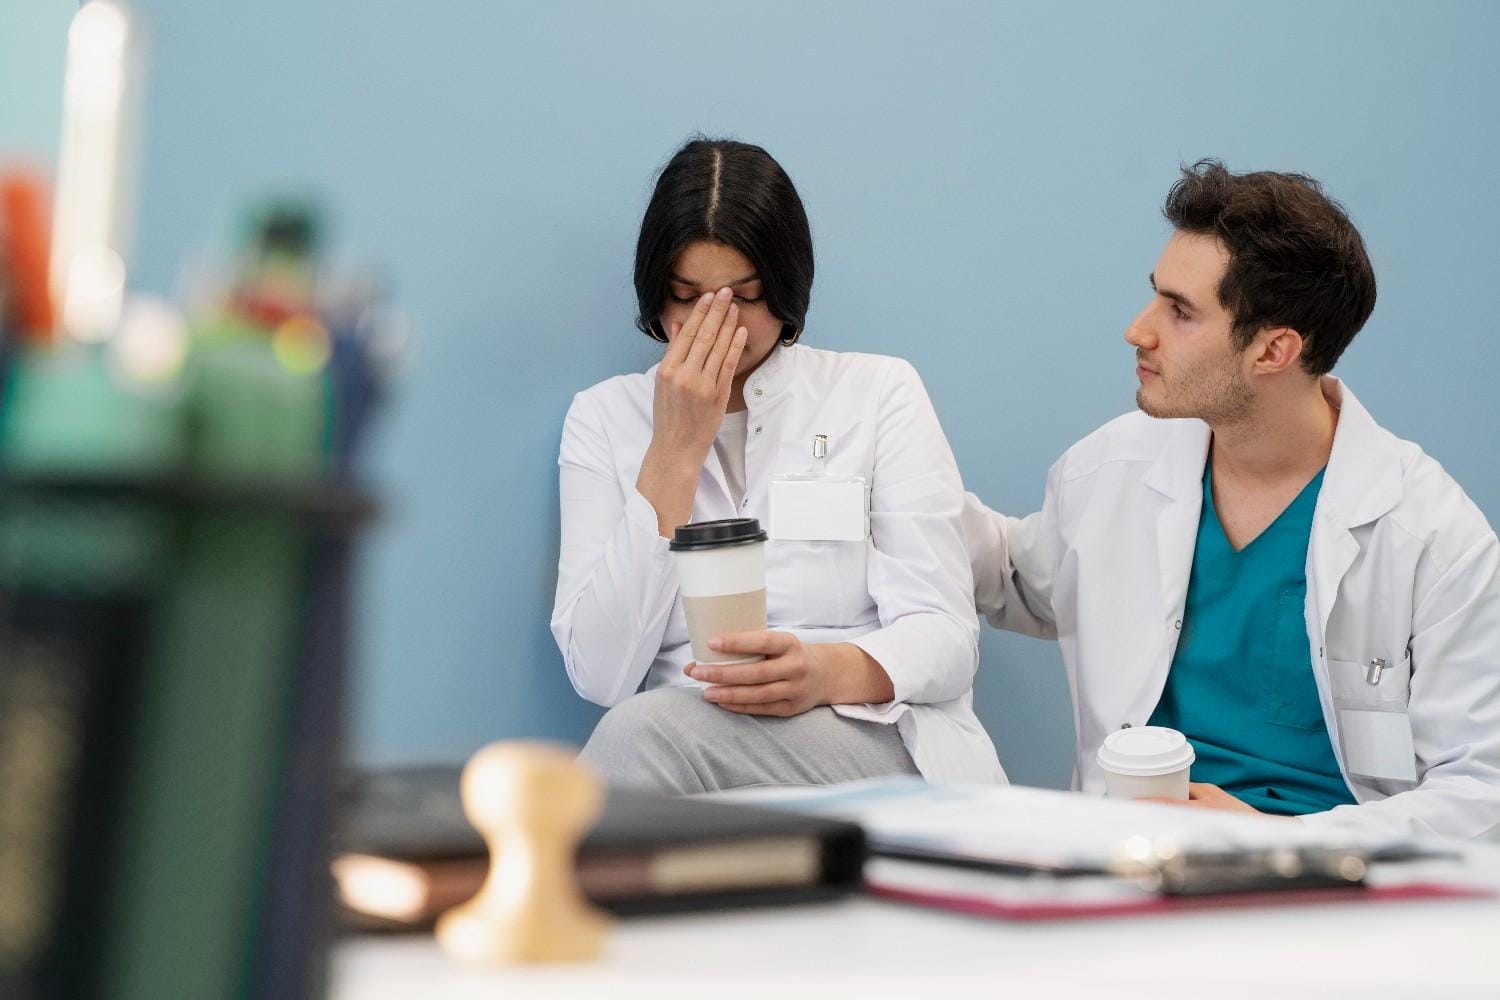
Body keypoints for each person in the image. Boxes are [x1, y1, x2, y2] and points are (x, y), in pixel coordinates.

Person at [964, 160, 1500, 839]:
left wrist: (1287, 843)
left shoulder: (1430, 535)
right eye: (1156, 296)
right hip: (1132, 864)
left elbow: (1484, 788)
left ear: (1273, 350)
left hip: (1324, 888)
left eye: (1180, 312)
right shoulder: (1114, 467)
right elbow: (1024, 576)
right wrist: (891, 480)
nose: (1139, 330)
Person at [552, 137, 1002, 793]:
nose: (715, 322)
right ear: (657, 294)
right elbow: (599, 673)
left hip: (867, 729)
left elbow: (947, 638)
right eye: (687, 296)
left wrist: (825, 670)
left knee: (640, 738)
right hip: (685, 740)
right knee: (647, 730)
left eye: (743, 295)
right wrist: (675, 450)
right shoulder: (602, 419)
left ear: (785, 285)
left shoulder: (877, 393)